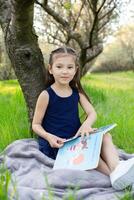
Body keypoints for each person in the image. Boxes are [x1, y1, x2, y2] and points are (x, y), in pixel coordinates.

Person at [32, 46, 134, 191]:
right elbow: (36, 125)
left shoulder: (76, 92)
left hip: (76, 137)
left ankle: (118, 168)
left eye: (69, 67)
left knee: (105, 136)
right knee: (89, 154)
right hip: (58, 144)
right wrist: (49, 137)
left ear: (75, 70)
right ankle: (117, 177)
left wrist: (86, 125)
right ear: (50, 69)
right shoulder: (46, 95)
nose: (65, 71)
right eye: (59, 67)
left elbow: (92, 113)